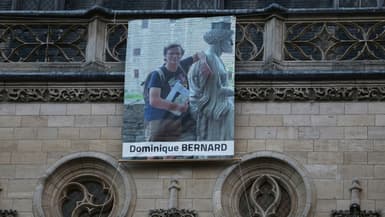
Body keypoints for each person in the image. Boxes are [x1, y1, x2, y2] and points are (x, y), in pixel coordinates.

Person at [144, 43, 204, 141]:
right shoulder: (158, 74)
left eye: (178, 53)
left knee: (171, 153)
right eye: (171, 54)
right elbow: (154, 100)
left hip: (174, 119)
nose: (175, 56)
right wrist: (178, 107)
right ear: (165, 56)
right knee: (153, 153)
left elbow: (200, 54)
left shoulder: (182, 66)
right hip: (157, 118)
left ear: (181, 55)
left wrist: (204, 63)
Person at [188, 21, 234, 141]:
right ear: (220, 40)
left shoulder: (216, 58)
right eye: (229, 39)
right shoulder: (209, 59)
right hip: (213, 111)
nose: (232, 43)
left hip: (218, 105)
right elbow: (213, 93)